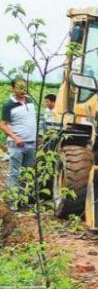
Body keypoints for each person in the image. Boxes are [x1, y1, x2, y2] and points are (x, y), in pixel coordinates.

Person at [1, 77, 37, 207]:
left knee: (27, 174)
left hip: (31, 144)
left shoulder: (30, 101)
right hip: (17, 145)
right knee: (15, 173)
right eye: (19, 87)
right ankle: (12, 202)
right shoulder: (8, 105)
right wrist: (16, 138)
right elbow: (3, 125)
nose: (23, 89)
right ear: (13, 88)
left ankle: (23, 201)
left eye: (24, 86)